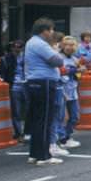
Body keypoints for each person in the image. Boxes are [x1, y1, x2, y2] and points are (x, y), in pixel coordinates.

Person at [24, 18, 64, 166]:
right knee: (46, 119)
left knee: (37, 119)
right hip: (44, 82)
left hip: (34, 82)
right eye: (51, 30)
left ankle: (35, 154)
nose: (52, 33)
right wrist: (56, 51)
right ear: (44, 30)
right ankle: (44, 156)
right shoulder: (40, 44)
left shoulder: (30, 42)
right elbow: (57, 61)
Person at [56, 36, 83, 151]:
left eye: (72, 45)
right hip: (61, 90)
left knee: (75, 116)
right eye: (67, 45)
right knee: (60, 117)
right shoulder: (58, 58)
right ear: (62, 46)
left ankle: (67, 136)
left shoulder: (74, 59)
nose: (69, 47)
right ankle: (61, 139)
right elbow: (59, 73)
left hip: (72, 90)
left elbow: (78, 75)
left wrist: (79, 72)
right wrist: (75, 70)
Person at [0, 40, 27, 140]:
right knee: (16, 111)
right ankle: (19, 133)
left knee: (28, 110)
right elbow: (2, 74)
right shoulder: (6, 59)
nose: (16, 50)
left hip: (26, 85)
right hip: (14, 86)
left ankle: (27, 132)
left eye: (19, 48)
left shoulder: (27, 58)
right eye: (15, 48)